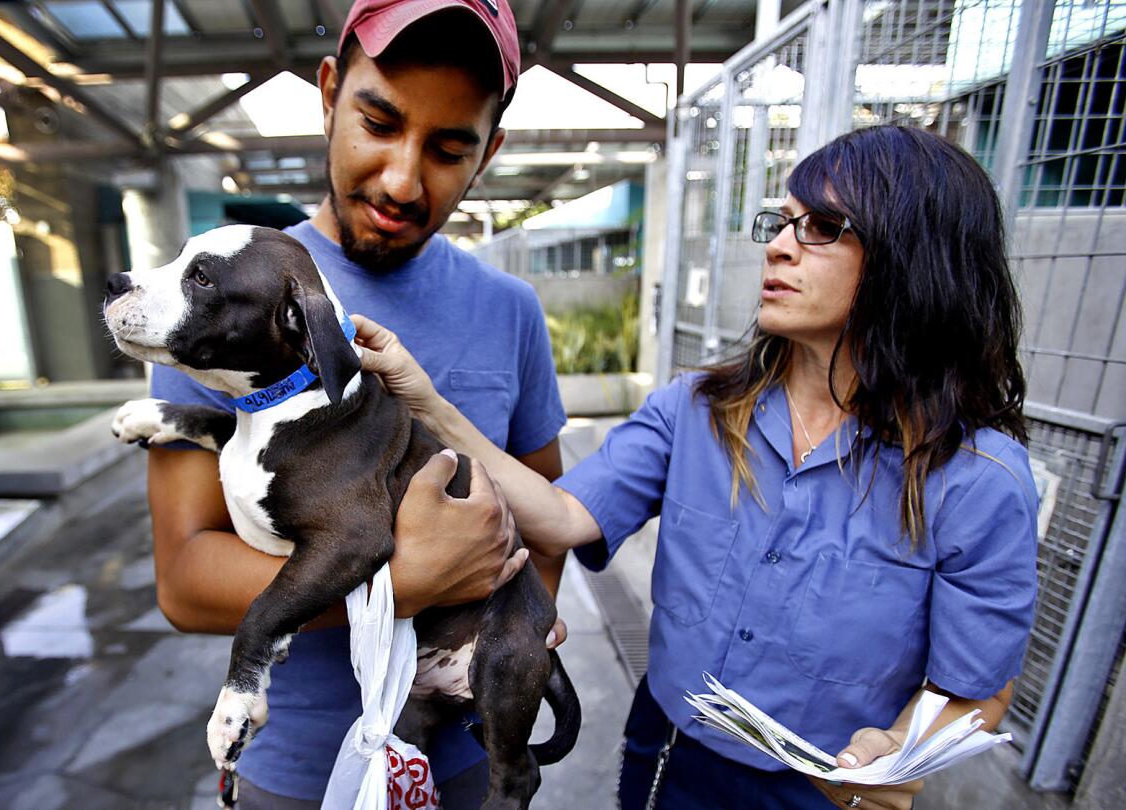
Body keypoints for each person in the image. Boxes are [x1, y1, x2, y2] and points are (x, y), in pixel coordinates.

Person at [353, 125, 1039, 810]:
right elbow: (561, 516)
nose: (777, 245)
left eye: (823, 227)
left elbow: (975, 691)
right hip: (667, 750)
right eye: (782, 222)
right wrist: (429, 404)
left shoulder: (977, 477)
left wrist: (898, 751)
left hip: (823, 789)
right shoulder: (698, 410)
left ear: (912, 259)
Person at [144, 1, 567, 806]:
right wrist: (403, 585)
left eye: (449, 148)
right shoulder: (223, 302)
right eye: (379, 121)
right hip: (295, 774)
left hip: (462, 762)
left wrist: (516, 640)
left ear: (491, 152)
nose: (405, 179)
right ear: (330, 91)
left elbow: (543, 517)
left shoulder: (509, 309)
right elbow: (186, 581)